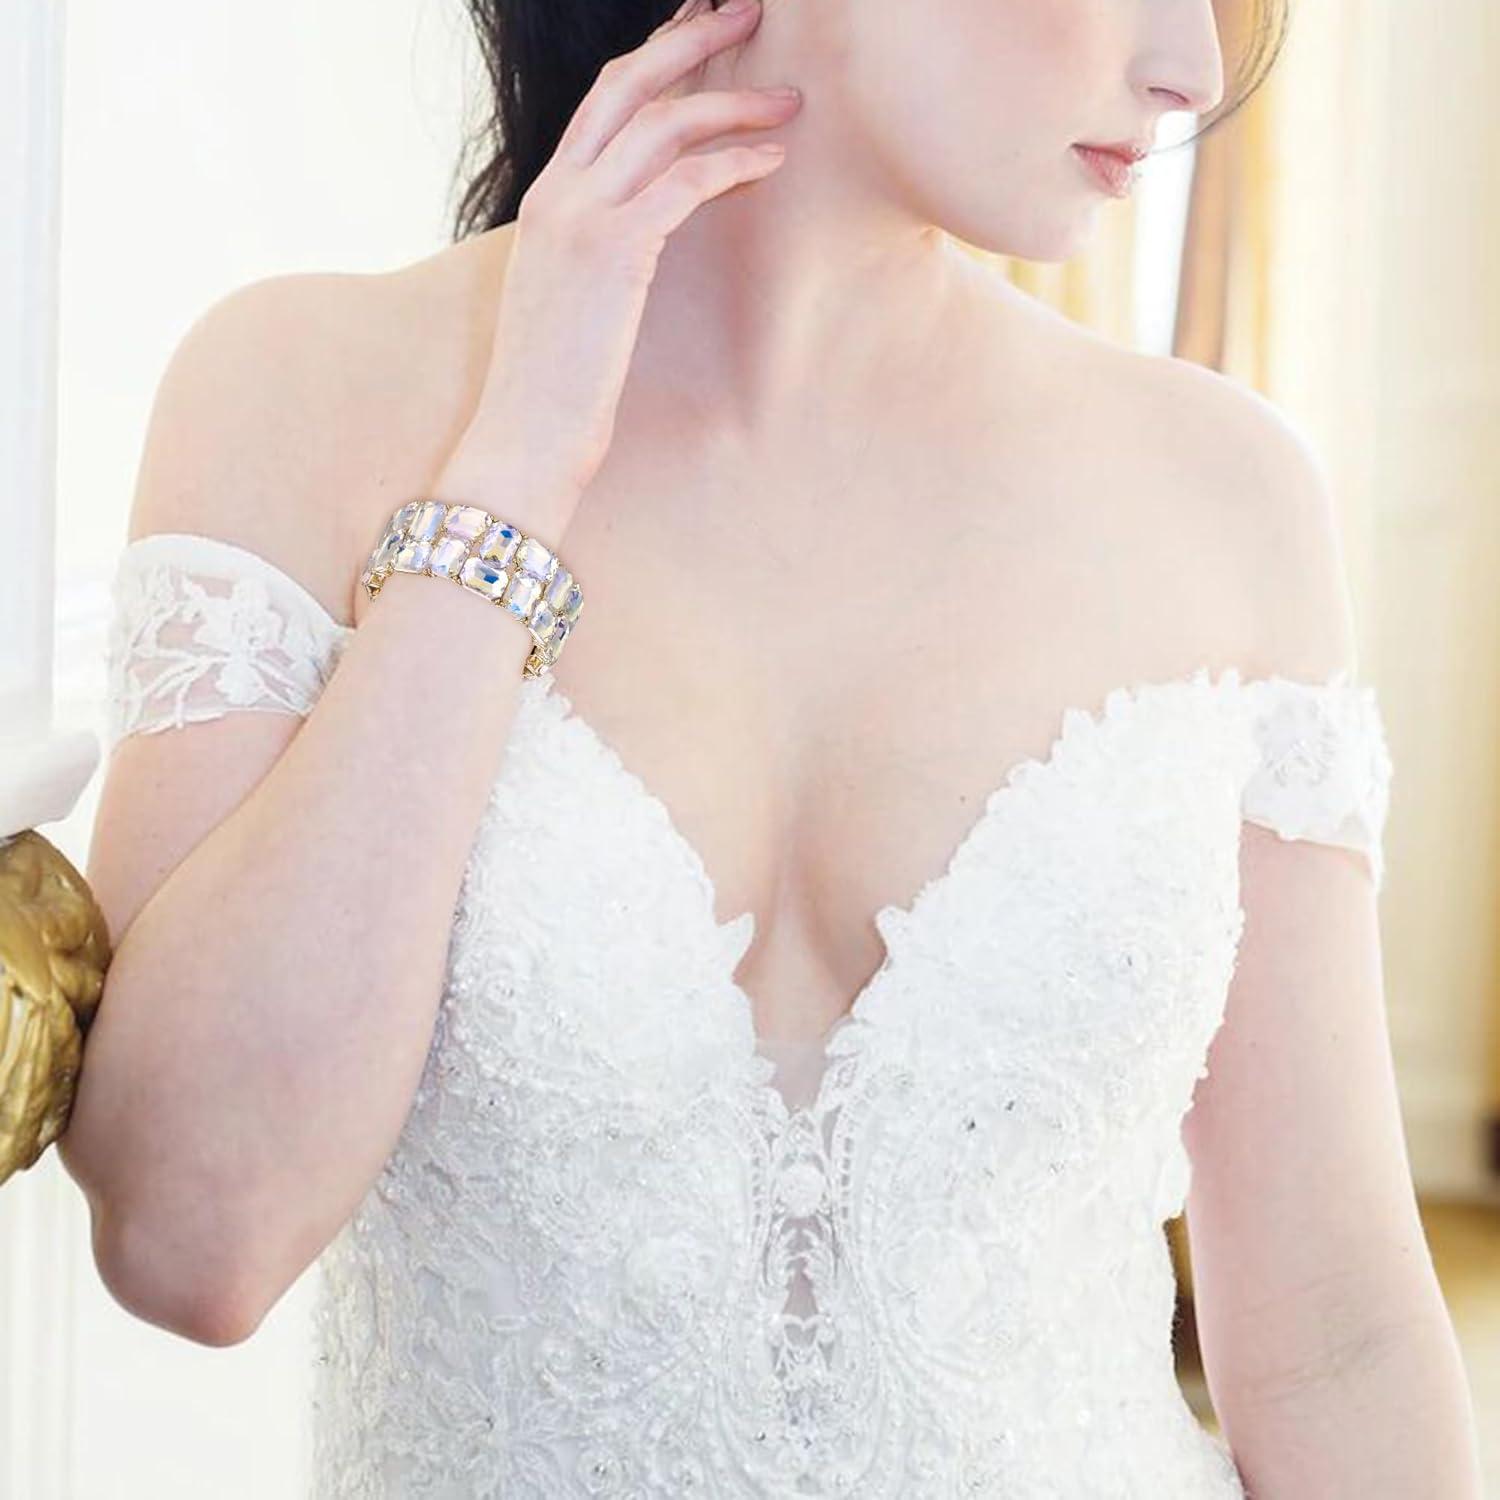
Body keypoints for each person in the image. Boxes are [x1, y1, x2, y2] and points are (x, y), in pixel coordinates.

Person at [61, 0, 1484, 1495]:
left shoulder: (1227, 496)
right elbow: (192, 1239)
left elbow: (1338, 1339)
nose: (1187, 70)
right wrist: (514, 468)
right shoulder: (297, 394)